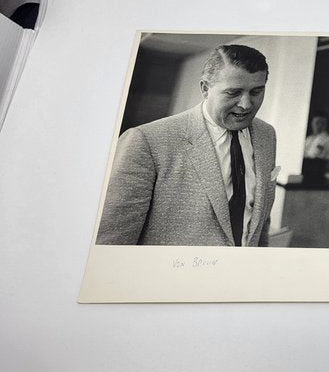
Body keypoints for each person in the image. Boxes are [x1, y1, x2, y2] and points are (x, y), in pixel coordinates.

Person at [96, 44, 277, 246]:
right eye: (233, 93)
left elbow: (260, 221)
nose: (246, 104)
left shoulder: (266, 135)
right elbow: (112, 242)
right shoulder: (145, 141)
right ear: (205, 89)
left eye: (256, 91)